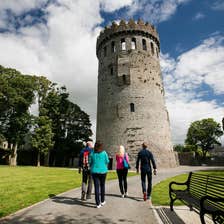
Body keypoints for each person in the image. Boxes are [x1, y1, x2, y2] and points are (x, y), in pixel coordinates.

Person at [89, 141, 109, 208]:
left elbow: (90, 162)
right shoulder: (104, 153)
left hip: (94, 171)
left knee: (96, 187)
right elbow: (107, 161)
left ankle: (98, 203)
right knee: (102, 186)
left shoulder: (92, 153)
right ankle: (103, 201)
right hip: (103, 171)